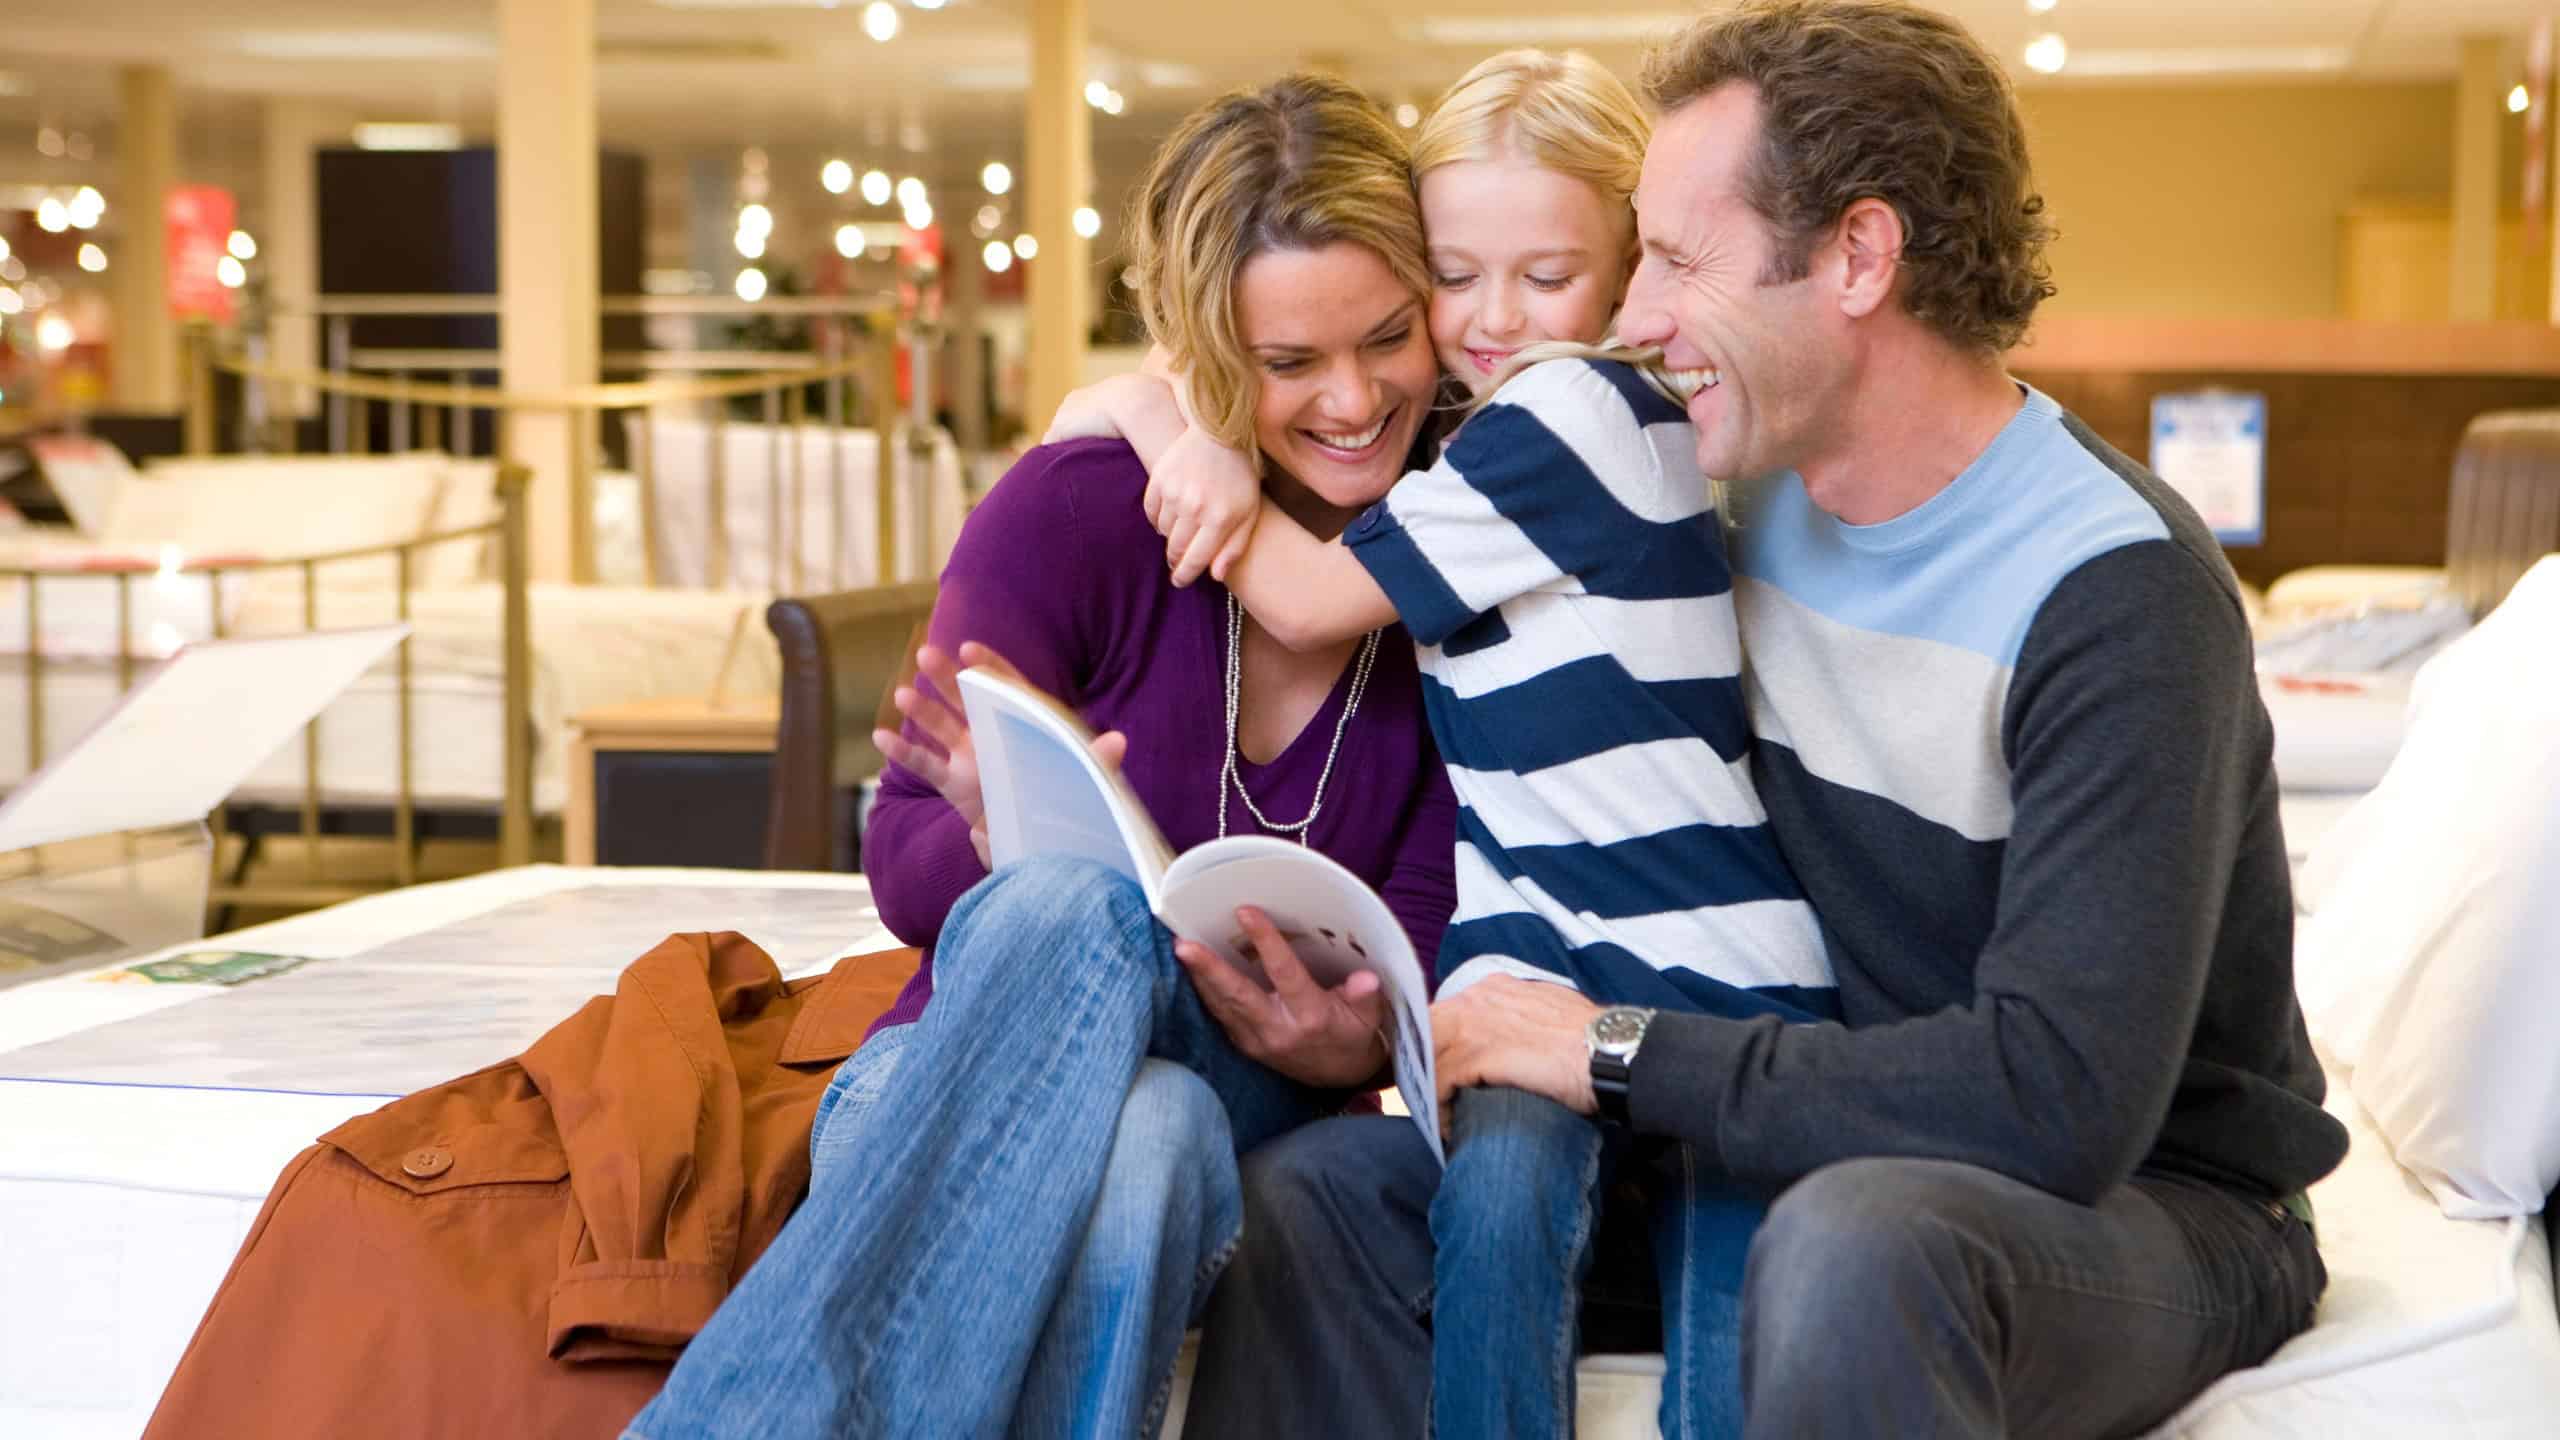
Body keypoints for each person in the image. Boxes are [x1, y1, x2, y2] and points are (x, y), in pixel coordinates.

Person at [1205, 4, 2350, 1437]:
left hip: (2137, 1202)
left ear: (1859, 259)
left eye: (1677, 261)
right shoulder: (1722, 499)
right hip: (1788, 1113)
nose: (1630, 319)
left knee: (1861, 1243)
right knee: (1313, 1198)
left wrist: (1610, 1048)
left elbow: (2057, 1101)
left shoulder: (2117, 595)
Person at [622, 73, 1457, 1440]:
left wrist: (1349, 1033)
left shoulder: (1460, 566)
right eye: (1290, 364)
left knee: (1162, 1108)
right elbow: (898, 860)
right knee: (1114, 1041)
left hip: (1256, 1105)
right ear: (1202, 348)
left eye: (1388, 339)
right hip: (943, 1093)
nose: (1356, 401)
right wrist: (995, 840)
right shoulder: (1077, 513)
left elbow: (1423, 951)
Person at [1051, 49, 1834, 1440]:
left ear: (1629, 270)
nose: (1491, 318)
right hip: (1538, 963)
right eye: (1454, 276)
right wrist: (1185, 405)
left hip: (1699, 964)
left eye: (1548, 275)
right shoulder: (1490, 437)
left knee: (1714, 1339)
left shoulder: (1575, 416)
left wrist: (1184, 434)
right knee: (1502, 1209)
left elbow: (1300, 593)